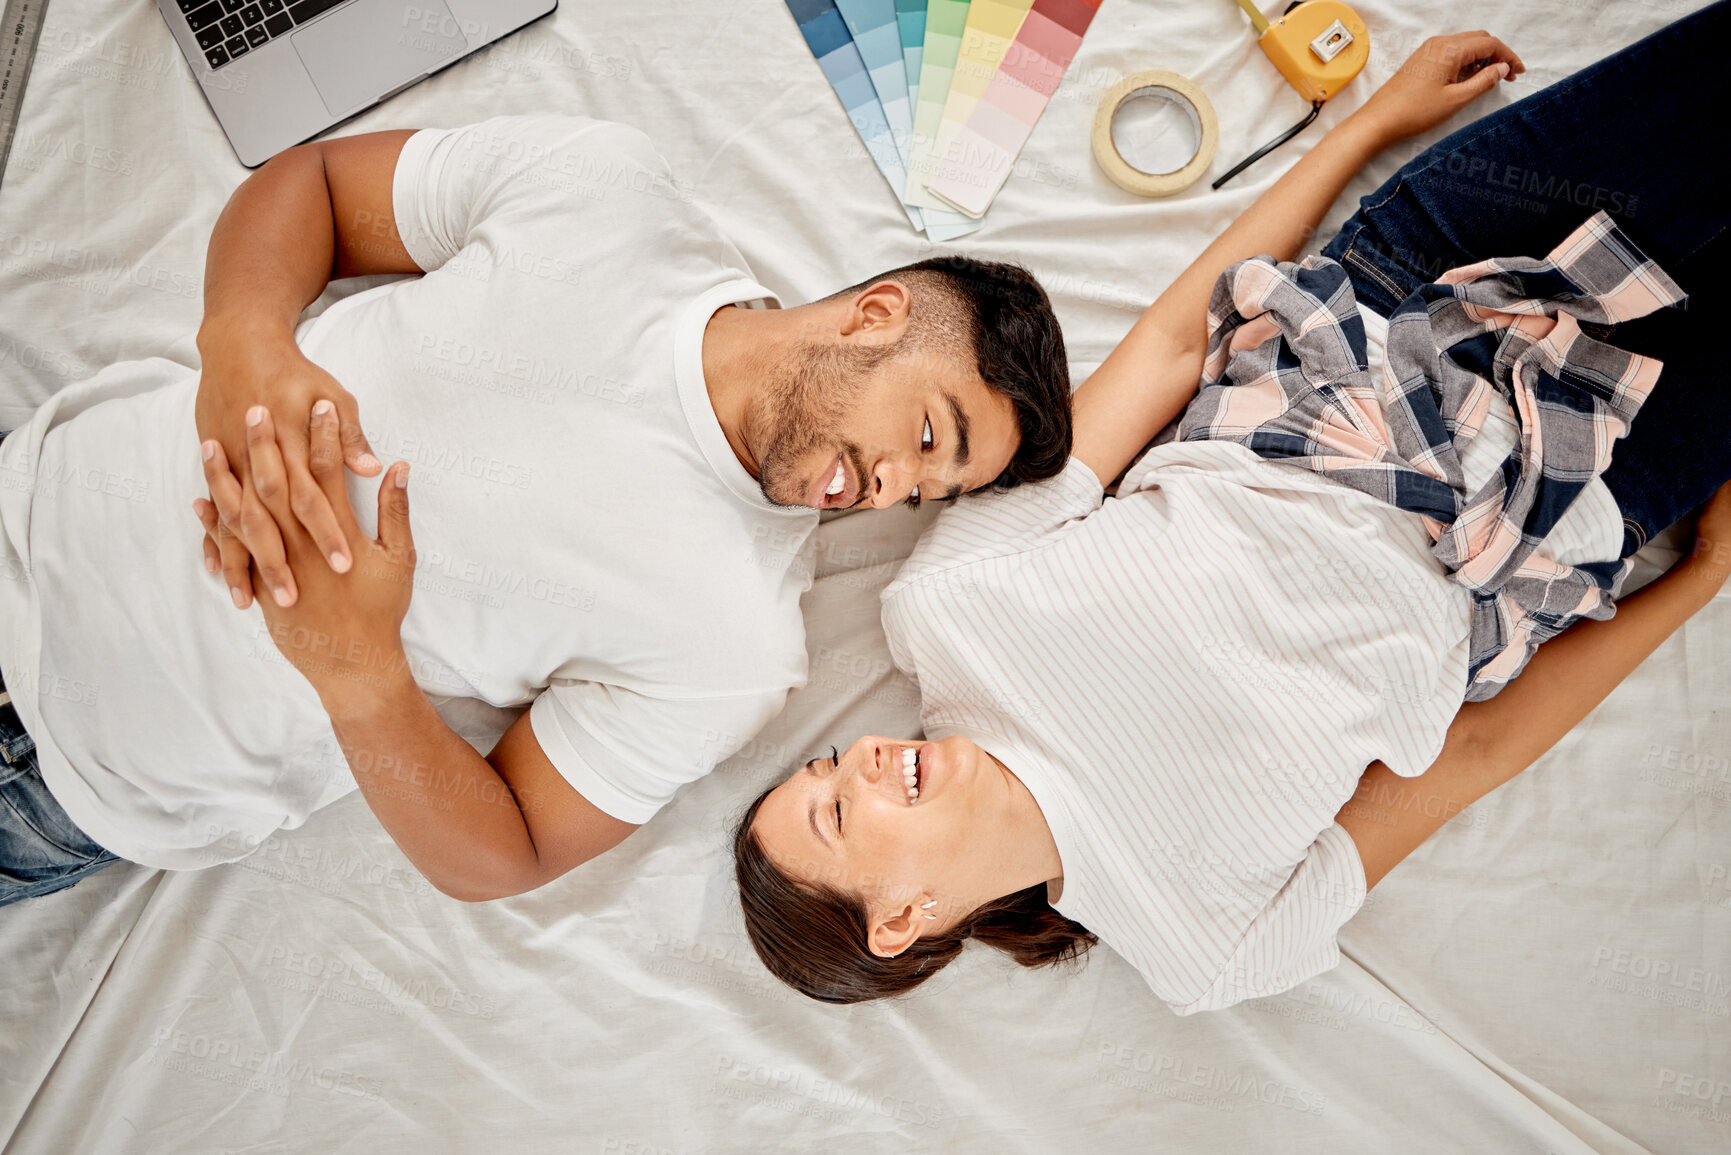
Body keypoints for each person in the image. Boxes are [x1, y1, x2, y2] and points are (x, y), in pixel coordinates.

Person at [735, 8, 1731, 1013]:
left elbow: (1173, 344)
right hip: (1580, 499)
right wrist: (1699, 581)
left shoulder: (943, 608)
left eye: (827, 763)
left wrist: (1364, 127)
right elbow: (1474, 752)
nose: (858, 759)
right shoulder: (1208, 949)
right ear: (901, 918)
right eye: (835, 812)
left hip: (1407, 299)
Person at [0, 115, 1072, 907]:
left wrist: (359, 673)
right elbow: (314, 186)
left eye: (928, 491)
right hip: (34, 499)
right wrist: (241, 339)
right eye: (927, 439)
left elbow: (505, 854)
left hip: (74, 774)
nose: (890, 488)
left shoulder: (732, 649)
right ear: (876, 316)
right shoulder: (606, 193)